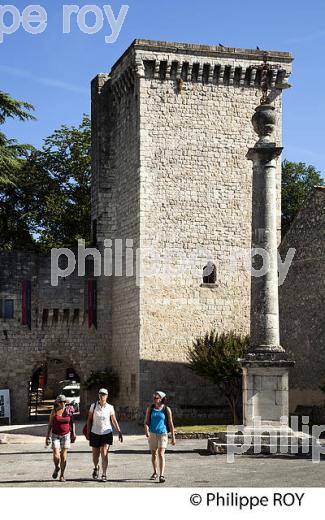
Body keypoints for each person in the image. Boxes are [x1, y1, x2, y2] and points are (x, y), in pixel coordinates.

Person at [86, 388, 123, 482]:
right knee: (95, 456)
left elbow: (113, 420)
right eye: (100, 394)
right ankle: (96, 467)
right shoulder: (93, 406)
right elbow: (89, 420)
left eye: (104, 394)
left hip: (107, 433)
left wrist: (119, 431)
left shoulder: (110, 407)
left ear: (107, 396)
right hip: (95, 432)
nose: (102, 396)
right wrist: (88, 432)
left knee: (104, 453)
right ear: (98, 395)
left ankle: (104, 474)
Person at [144, 390, 176, 483]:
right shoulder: (150, 409)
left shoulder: (166, 409)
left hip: (163, 433)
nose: (154, 399)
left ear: (161, 399)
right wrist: (146, 430)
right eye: (153, 397)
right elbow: (146, 422)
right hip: (152, 433)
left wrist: (173, 437)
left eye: (156, 398)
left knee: (161, 453)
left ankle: (162, 475)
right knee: (154, 454)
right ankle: (155, 472)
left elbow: (170, 423)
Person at [45, 394, 76, 482]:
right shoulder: (54, 411)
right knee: (56, 455)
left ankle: (62, 475)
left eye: (64, 401)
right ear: (58, 402)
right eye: (61, 402)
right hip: (55, 435)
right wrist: (47, 436)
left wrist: (74, 433)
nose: (63, 403)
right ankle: (56, 467)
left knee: (63, 456)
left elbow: (72, 422)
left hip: (66, 435)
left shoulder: (69, 410)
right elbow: (50, 424)